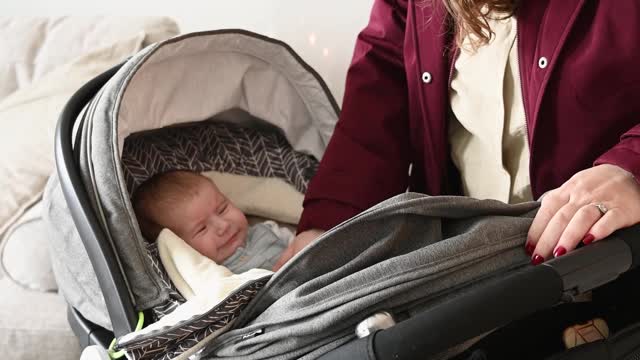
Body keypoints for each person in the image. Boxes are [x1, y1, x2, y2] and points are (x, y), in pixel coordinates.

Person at [273, 0, 640, 271]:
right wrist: (329, 228)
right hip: (467, 278)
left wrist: (630, 169)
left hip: (607, 273)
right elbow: (379, 92)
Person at [133, 170, 290, 273]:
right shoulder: (210, 275)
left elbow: (304, 246)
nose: (224, 226)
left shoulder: (270, 230)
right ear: (182, 248)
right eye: (201, 229)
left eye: (222, 209)